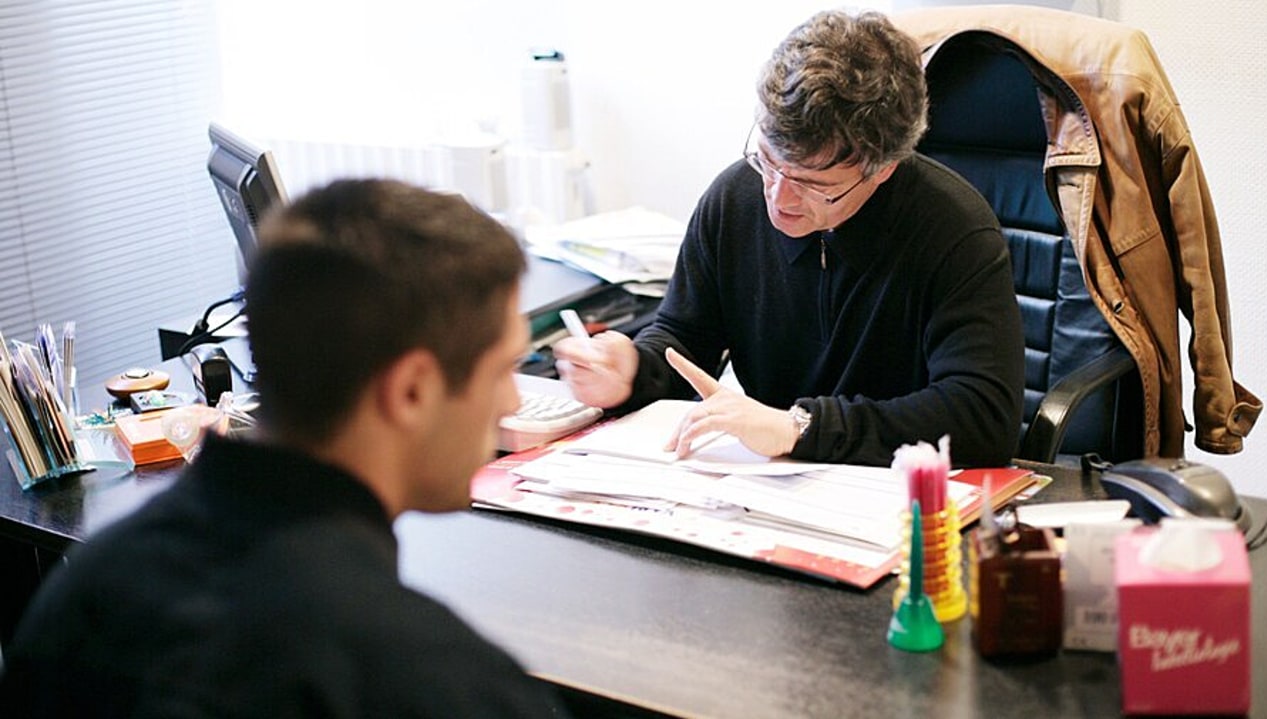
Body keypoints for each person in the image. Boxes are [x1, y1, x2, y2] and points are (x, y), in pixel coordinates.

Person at [0, 179, 569, 717]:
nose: (512, 402)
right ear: (412, 391)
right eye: (503, 369)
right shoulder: (433, 683)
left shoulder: (81, 593)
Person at [554, 10, 1023, 468]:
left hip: (892, 494)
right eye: (767, 161)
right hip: (771, 486)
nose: (779, 198)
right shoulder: (734, 198)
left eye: (814, 184)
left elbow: (982, 418)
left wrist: (800, 428)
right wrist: (634, 370)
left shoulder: (954, 229)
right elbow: (685, 339)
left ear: (883, 169)